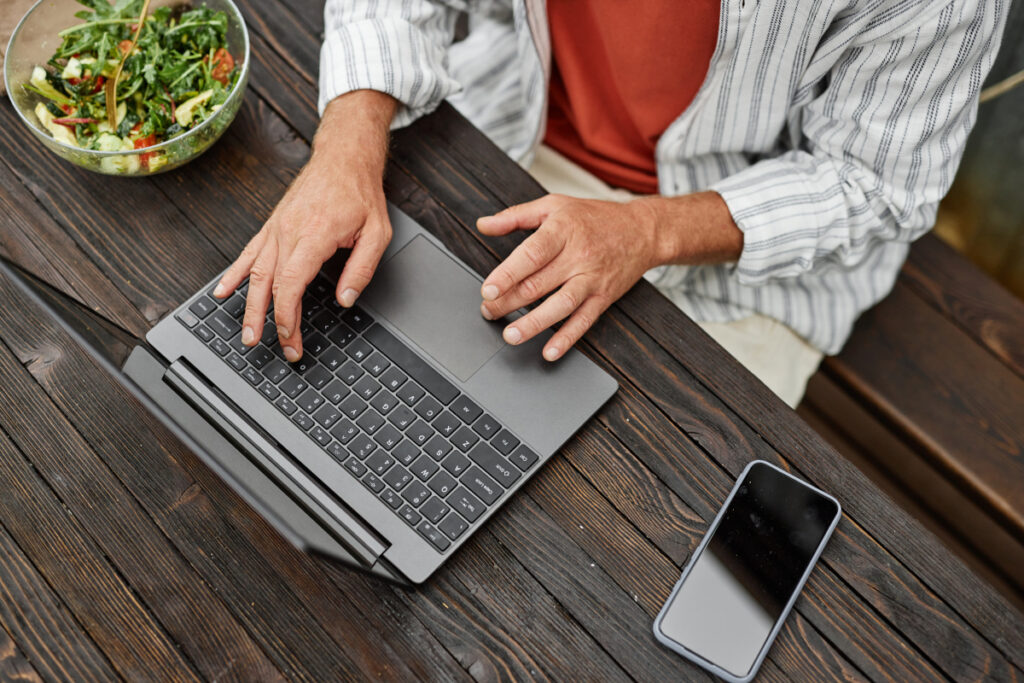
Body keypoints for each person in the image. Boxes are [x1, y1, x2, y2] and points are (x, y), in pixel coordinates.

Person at [213, 0, 1006, 407]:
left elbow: (875, 182)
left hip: (743, 250)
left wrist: (646, 231)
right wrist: (349, 137)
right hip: (503, 120)